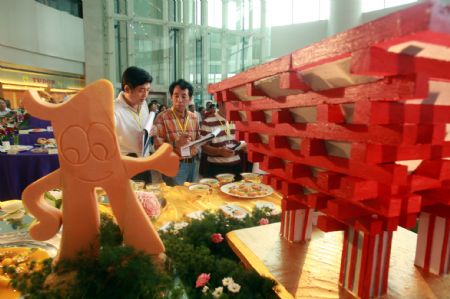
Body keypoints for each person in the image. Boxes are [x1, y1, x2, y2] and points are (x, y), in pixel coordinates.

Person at [154, 79, 200, 186]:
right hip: (174, 165)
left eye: (184, 96)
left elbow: (198, 139)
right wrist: (175, 144)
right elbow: (157, 148)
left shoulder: (193, 117)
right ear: (171, 97)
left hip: (192, 164)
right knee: (176, 198)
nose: (179, 100)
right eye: (176, 96)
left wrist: (196, 148)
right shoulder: (162, 117)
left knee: (191, 197)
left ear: (190, 99)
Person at [114, 66, 153, 184]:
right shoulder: (113, 110)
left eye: (148, 90)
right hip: (126, 166)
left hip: (145, 162)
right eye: (141, 90)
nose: (145, 95)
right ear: (127, 88)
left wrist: (151, 130)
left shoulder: (144, 104)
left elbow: (143, 127)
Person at [201, 100, 246, 180]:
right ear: (220, 103)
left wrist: (244, 146)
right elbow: (204, 147)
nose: (234, 106)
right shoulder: (208, 121)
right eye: (231, 103)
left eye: (235, 103)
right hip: (216, 168)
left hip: (236, 166)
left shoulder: (238, 120)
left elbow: (243, 141)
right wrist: (219, 151)